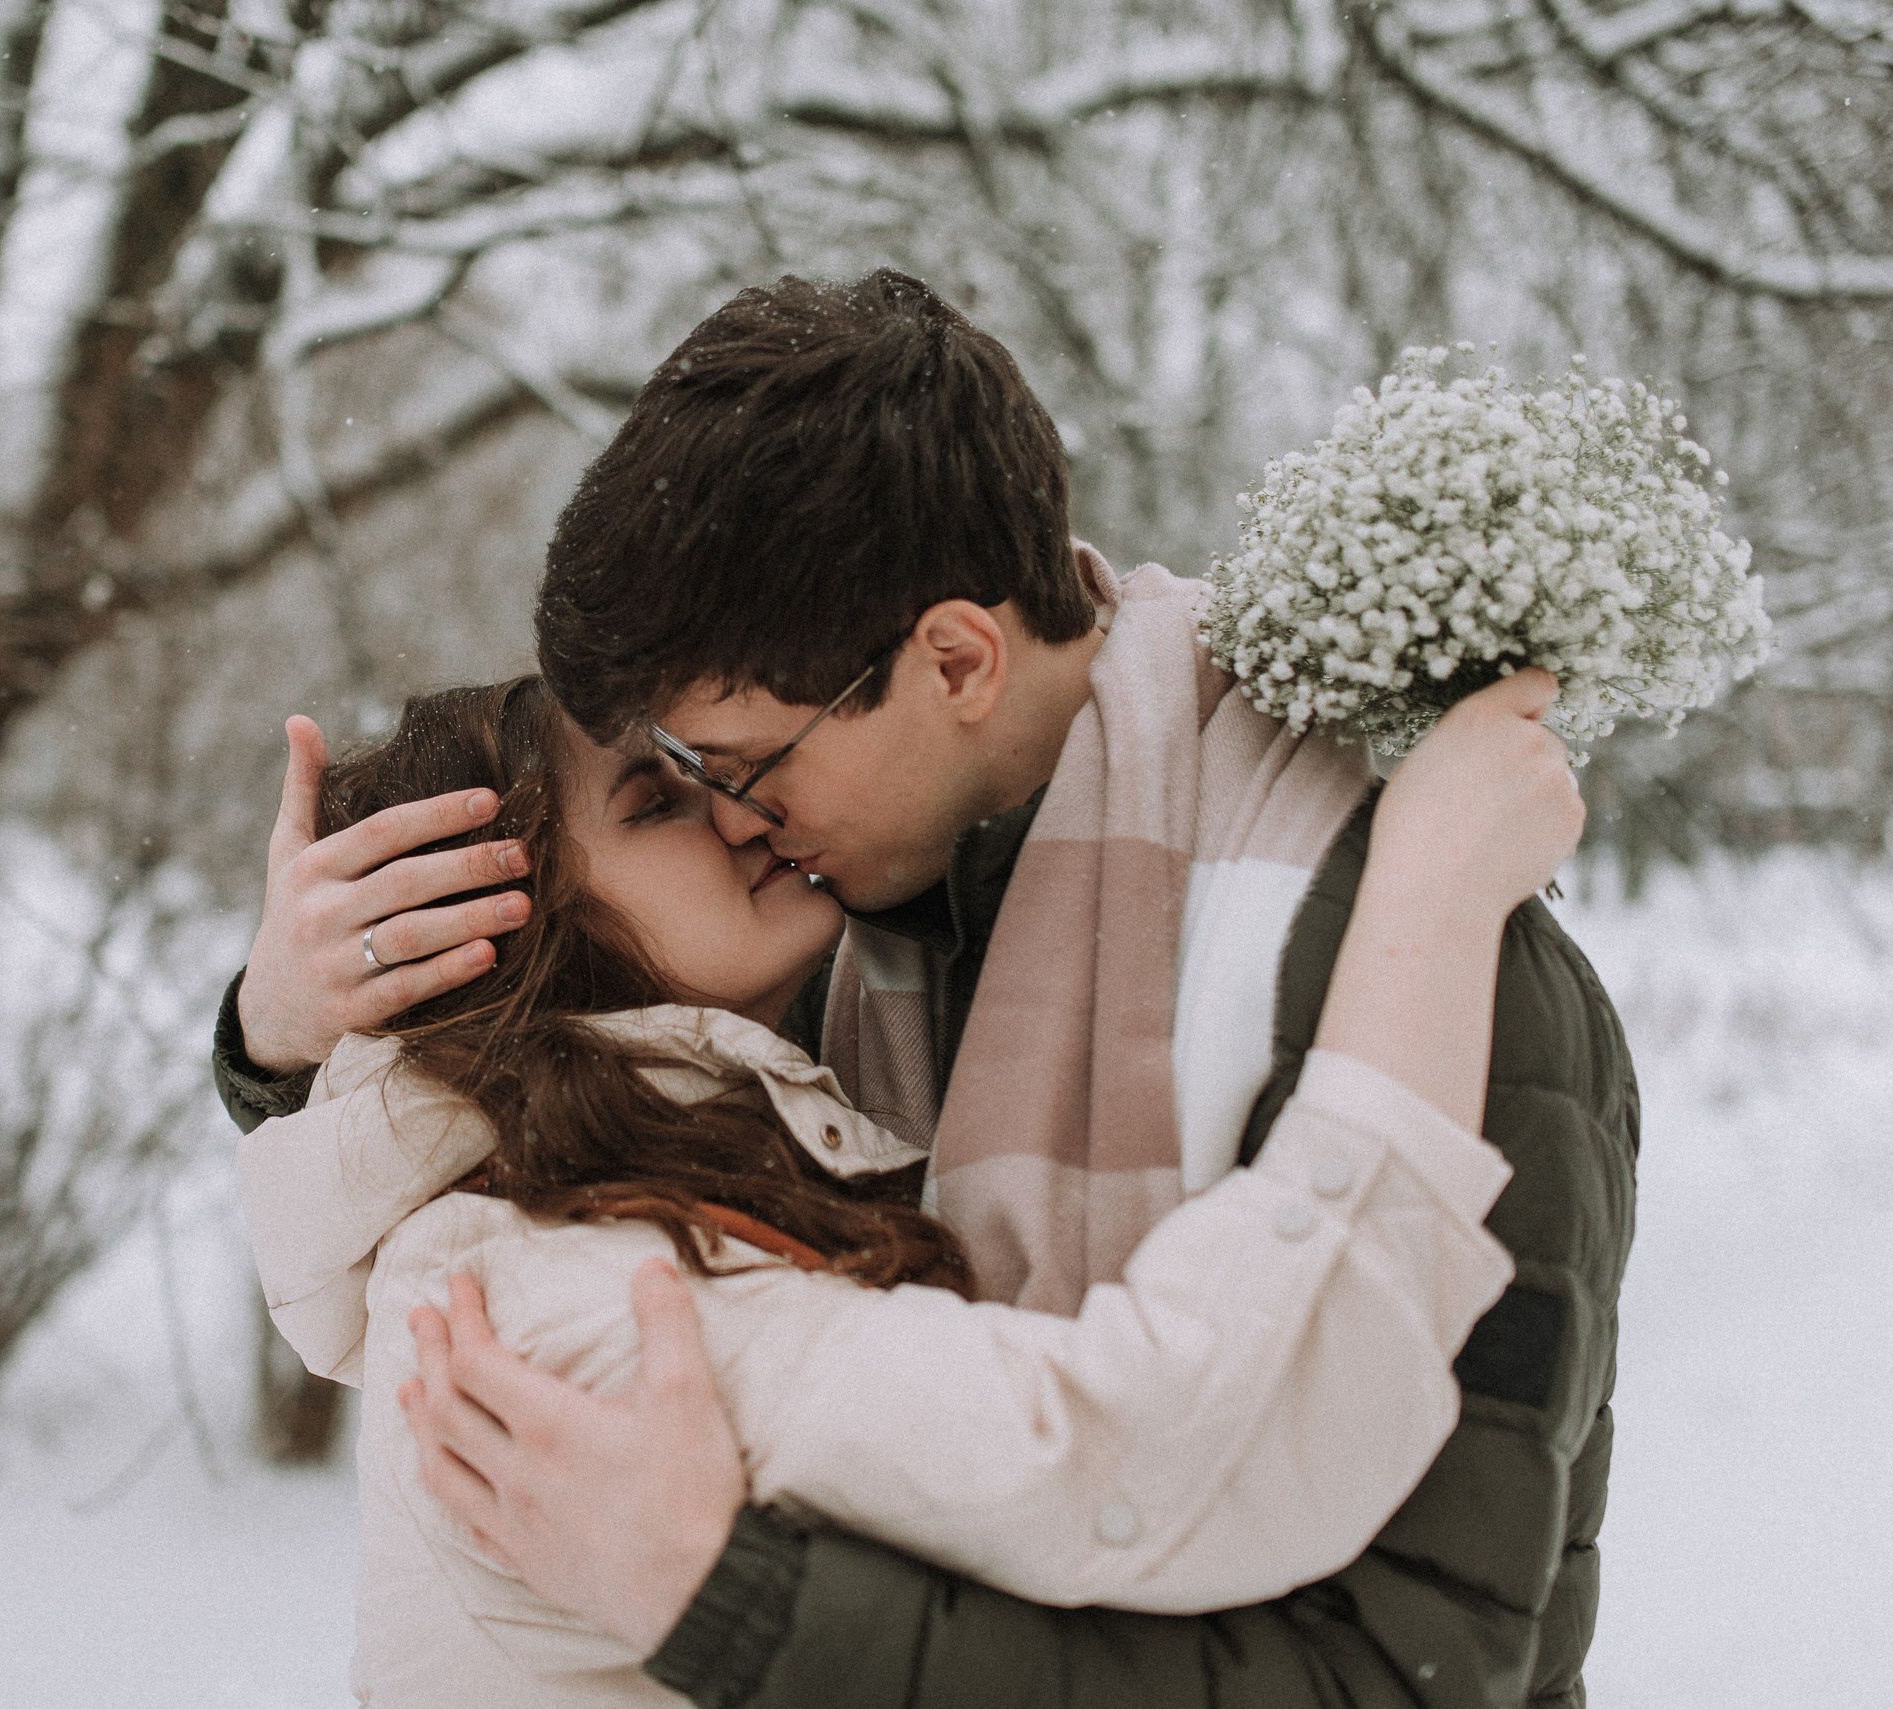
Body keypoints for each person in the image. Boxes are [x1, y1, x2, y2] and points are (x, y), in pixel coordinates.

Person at [215, 270, 1635, 1709]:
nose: (733, 824)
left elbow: (1400, 1668)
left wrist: (742, 1608)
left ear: (955, 658)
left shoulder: (1407, 946)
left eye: (741, 768)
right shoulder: (828, 959)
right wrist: (291, 1024)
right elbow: (513, 1095)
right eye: (677, 787)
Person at [238, 668, 1578, 1706]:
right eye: (656, 803)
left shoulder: (641, 1159)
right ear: (510, 949)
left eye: (705, 764)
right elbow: (1133, 1448)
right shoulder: (585, 1299)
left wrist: (277, 1035)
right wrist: (1433, 896)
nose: (737, 805)